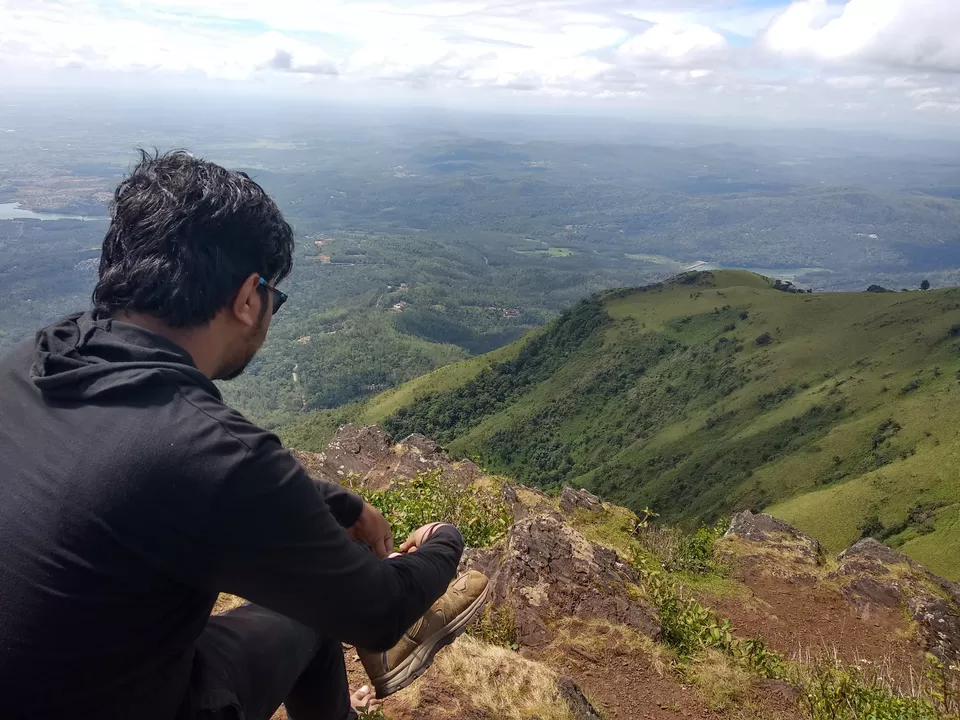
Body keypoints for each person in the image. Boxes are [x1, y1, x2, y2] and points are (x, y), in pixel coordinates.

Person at [0, 150, 489, 720]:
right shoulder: (204, 448)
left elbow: (179, 479)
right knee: (322, 608)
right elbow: (378, 611)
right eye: (273, 298)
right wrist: (445, 543)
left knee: (304, 610)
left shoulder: (32, 360)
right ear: (248, 296)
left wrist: (339, 503)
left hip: (68, 677)